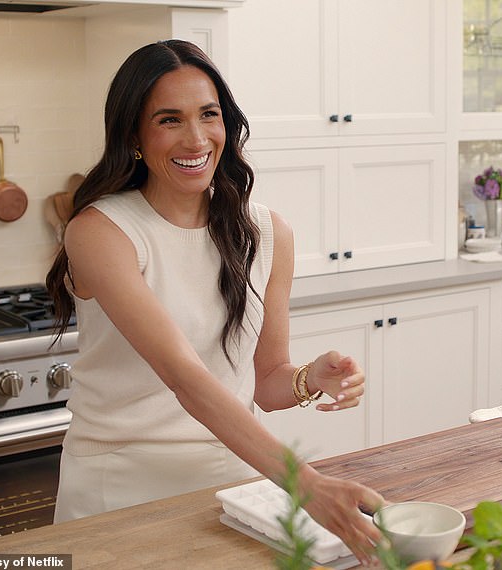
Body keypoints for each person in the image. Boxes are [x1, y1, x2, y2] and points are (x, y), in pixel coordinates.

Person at [46, 39, 385, 563]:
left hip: (235, 488)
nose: (197, 137)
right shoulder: (101, 232)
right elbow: (186, 380)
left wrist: (309, 378)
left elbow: (265, 383)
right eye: (168, 120)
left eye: (209, 115)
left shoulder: (267, 232)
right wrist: (308, 485)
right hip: (119, 489)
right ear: (134, 135)